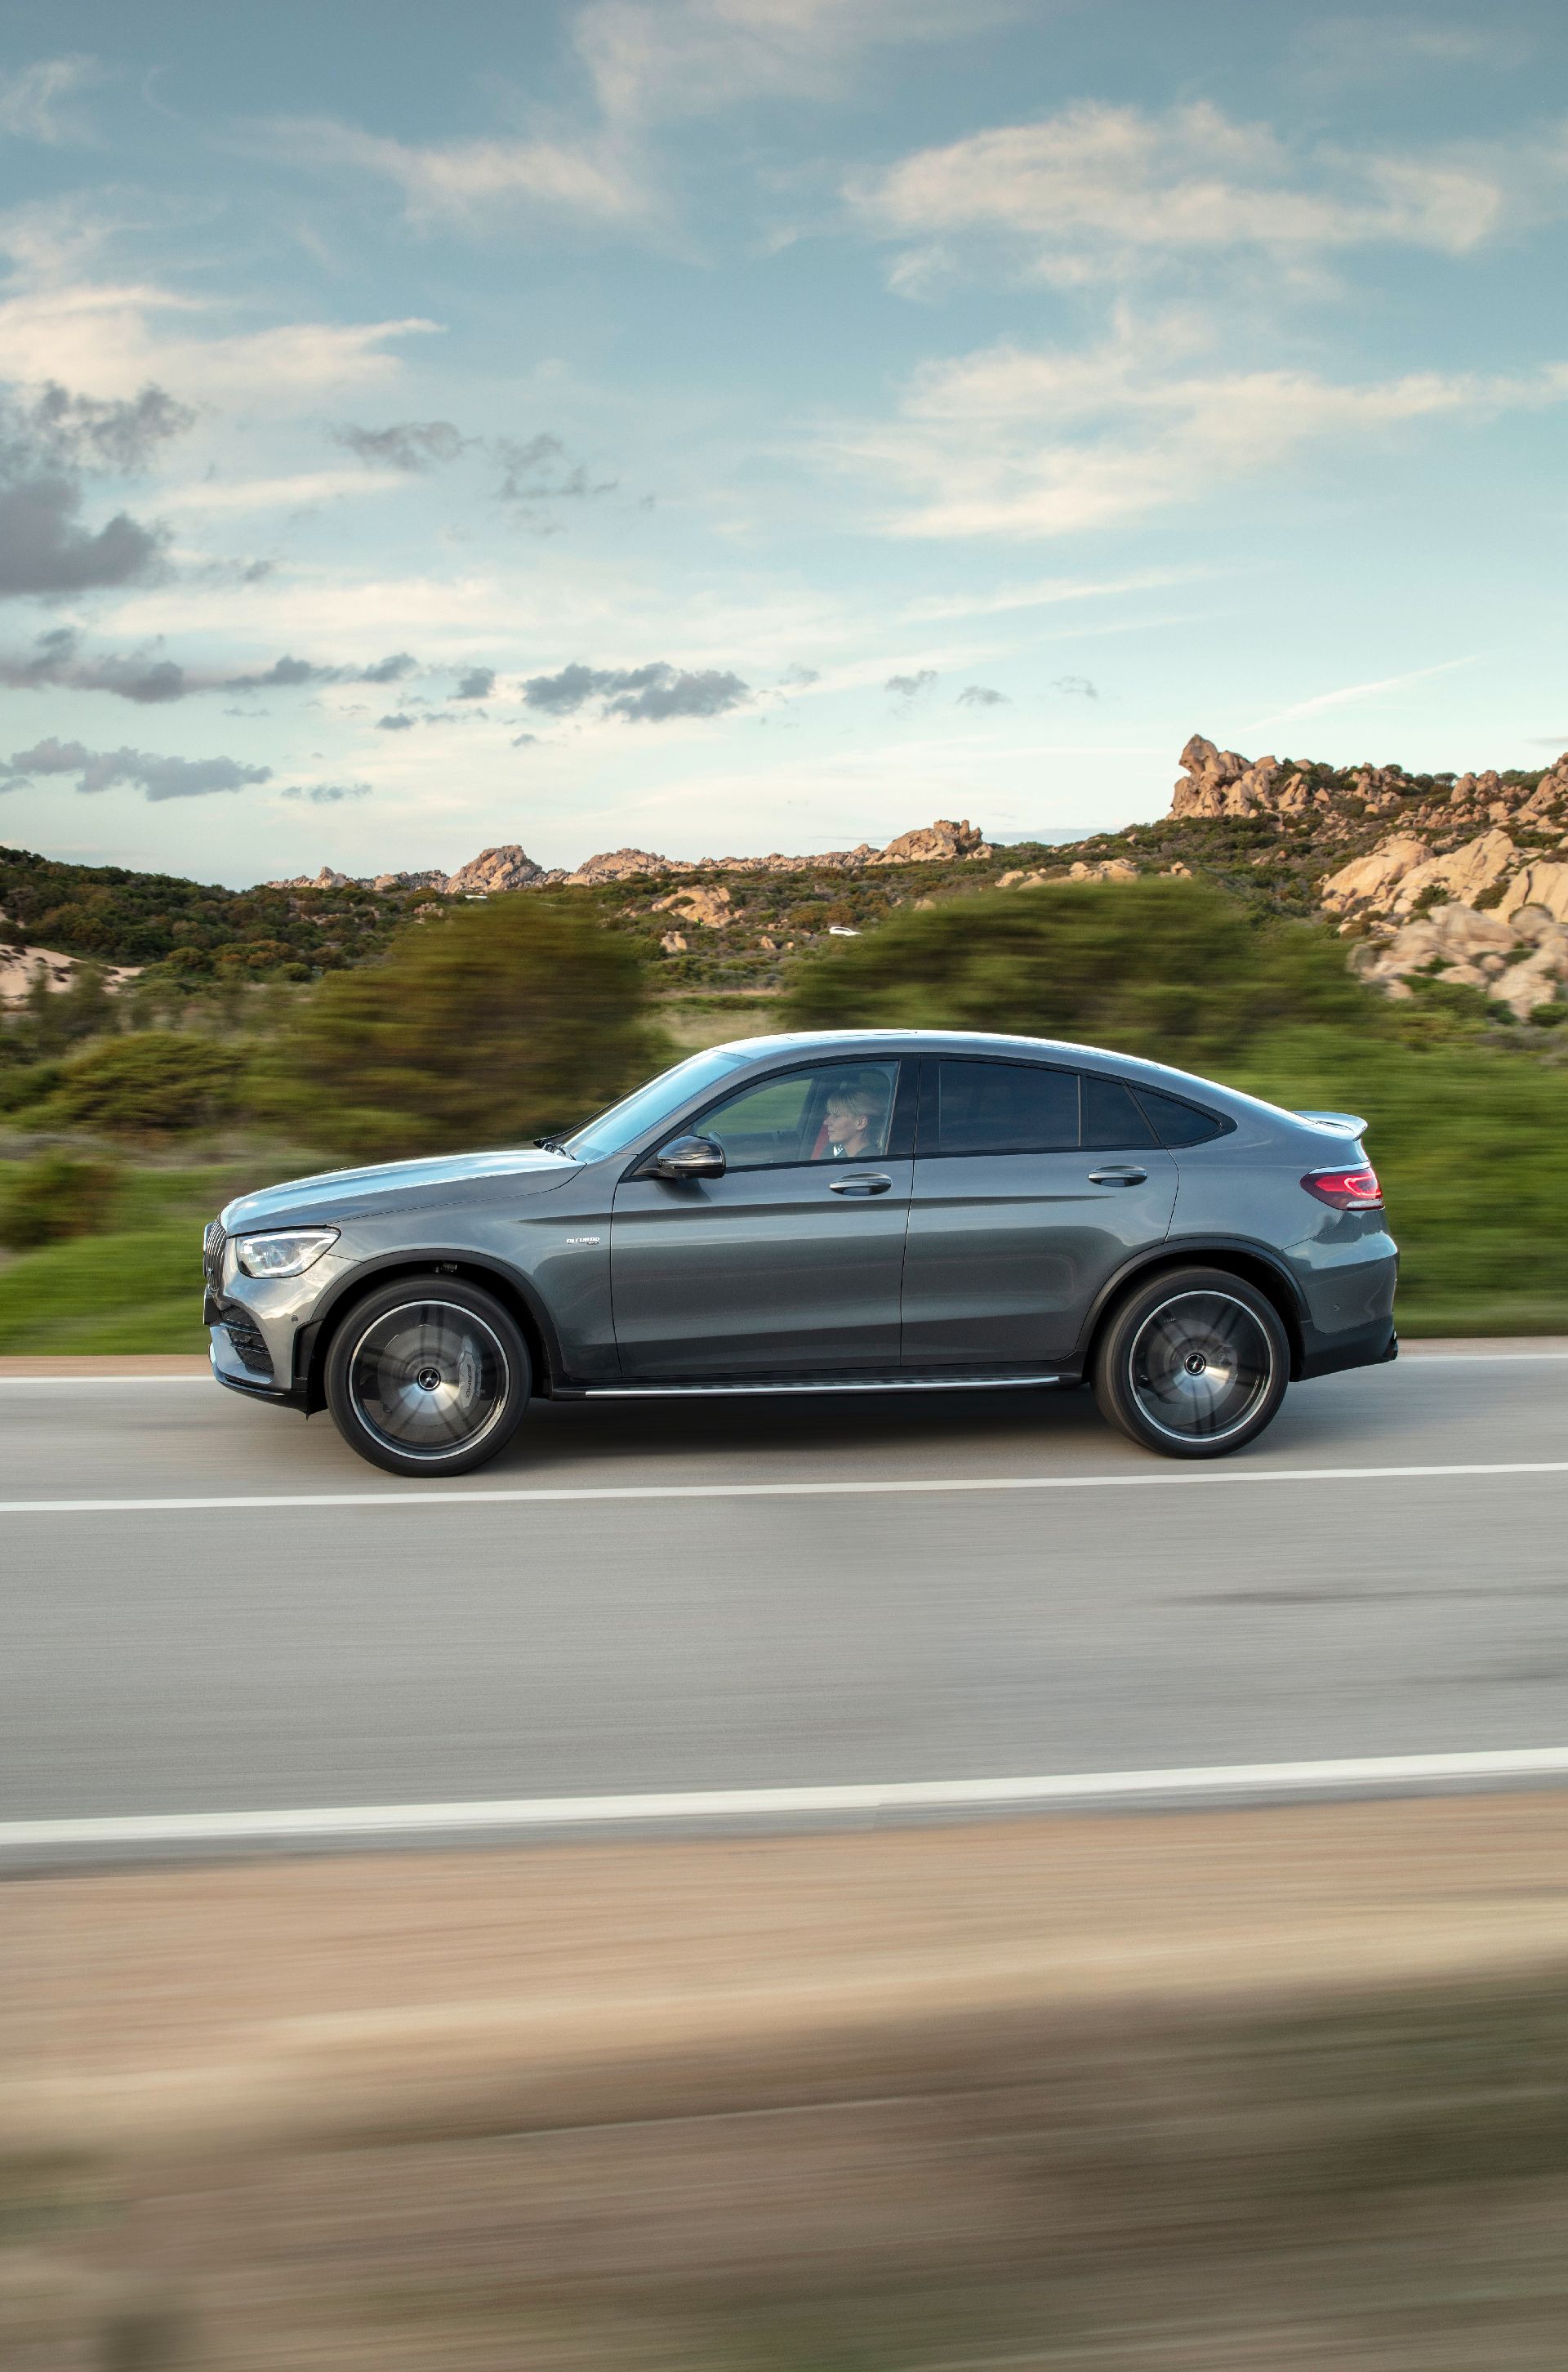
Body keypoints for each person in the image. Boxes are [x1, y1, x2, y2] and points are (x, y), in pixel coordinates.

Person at [811, 1069, 892, 1161]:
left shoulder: (868, 1163)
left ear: (861, 1123)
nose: (826, 1122)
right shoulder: (833, 1154)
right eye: (829, 1114)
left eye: (837, 1116)